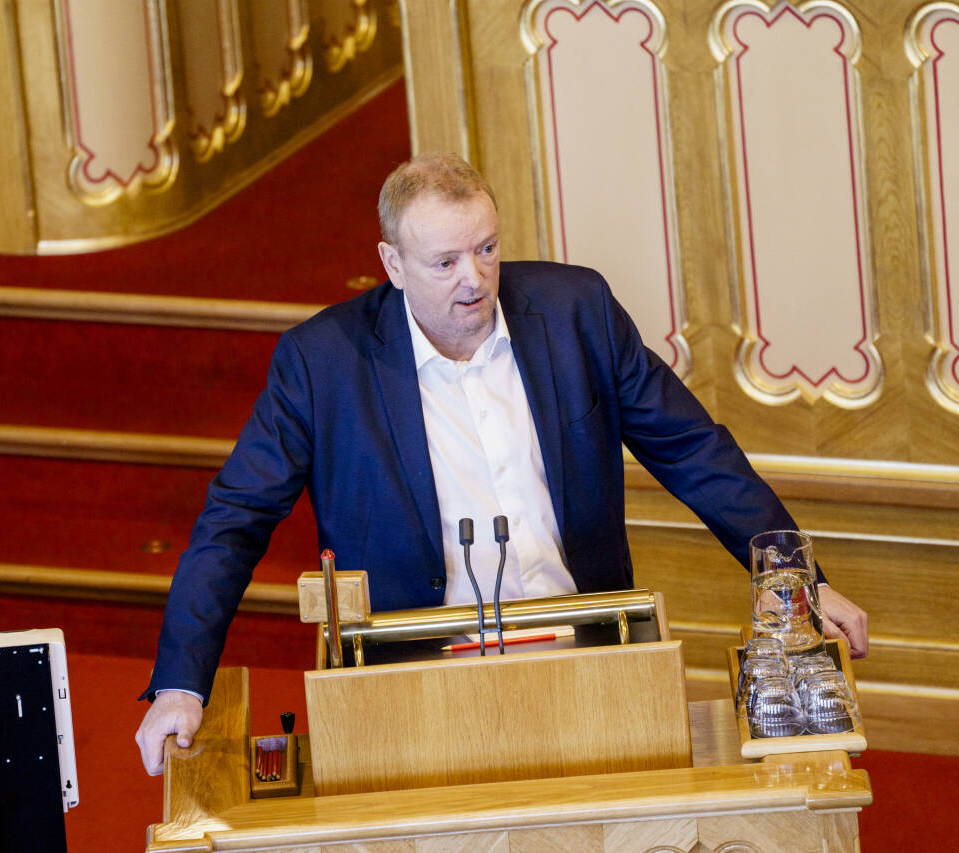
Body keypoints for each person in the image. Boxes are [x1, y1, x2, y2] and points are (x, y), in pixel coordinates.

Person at [134, 153, 868, 774]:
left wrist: (797, 580)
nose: (474, 280)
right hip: (417, 679)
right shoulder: (321, 363)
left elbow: (693, 448)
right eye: (445, 260)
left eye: (486, 248)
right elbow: (234, 522)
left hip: (588, 647)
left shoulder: (575, 310)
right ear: (391, 263)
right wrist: (181, 683)